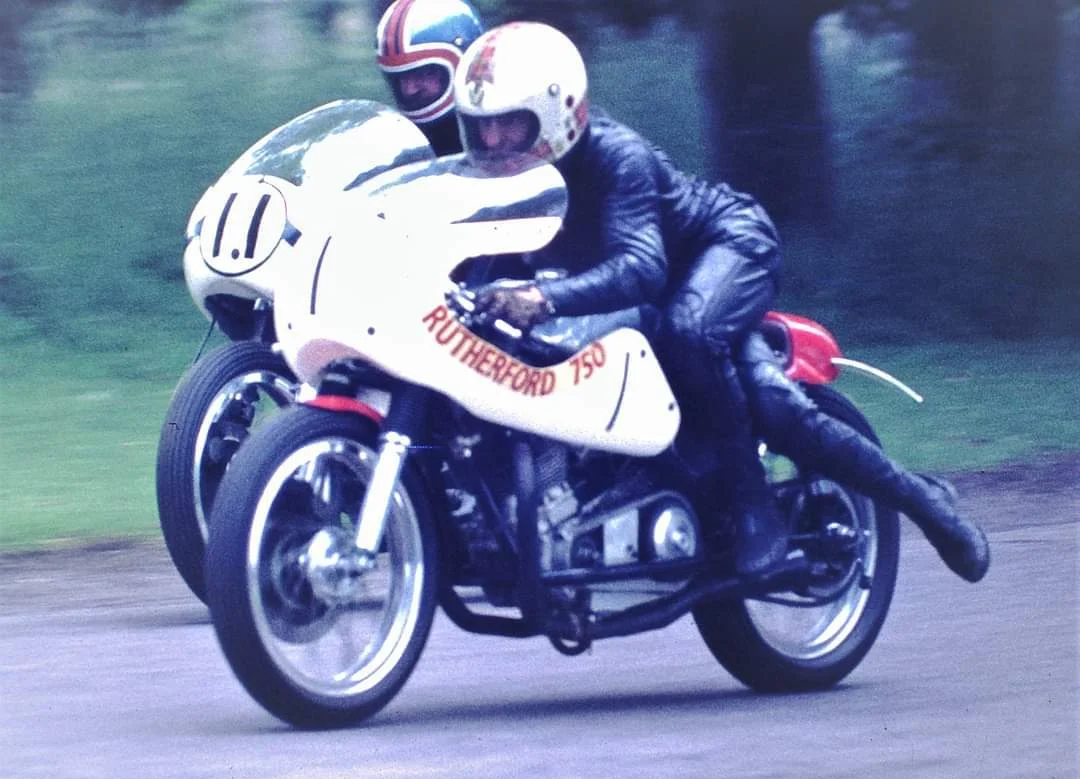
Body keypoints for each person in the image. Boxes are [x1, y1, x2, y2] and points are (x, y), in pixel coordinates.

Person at [454, 22, 990, 583]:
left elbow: (641, 266)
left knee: (718, 357)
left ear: (556, 112)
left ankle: (801, 501)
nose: (493, 141)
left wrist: (540, 298)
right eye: (481, 126)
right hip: (650, 293)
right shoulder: (505, 183)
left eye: (509, 123)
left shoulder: (616, 157)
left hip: (724, 249)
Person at [374, 0, 485, 156]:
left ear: (466, 63)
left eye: (423, 73)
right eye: (400, 78)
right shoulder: (396, 146)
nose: (409, 90)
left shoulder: (501, 137)